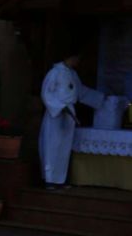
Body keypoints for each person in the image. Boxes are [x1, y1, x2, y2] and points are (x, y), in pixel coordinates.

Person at [38, 51, 104, 189]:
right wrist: (60, 107)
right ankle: (49, 179)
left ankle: (59, 180)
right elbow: (46, 93)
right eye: (77, 58)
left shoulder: (73, 74)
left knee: (64, 148)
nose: (78, 62)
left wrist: (101, 98)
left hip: (69, 114)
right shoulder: (54, 72)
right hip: (55, 114)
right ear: (70, 57)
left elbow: (80, 92)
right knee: (52, 146)